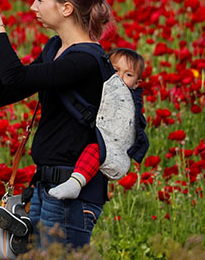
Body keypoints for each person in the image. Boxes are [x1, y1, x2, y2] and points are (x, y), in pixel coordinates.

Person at [0, 0, 113, 251]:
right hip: (47, 187)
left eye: (39, 0)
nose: (32, 6)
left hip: (73, 192)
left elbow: (16, 75)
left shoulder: (85, 61)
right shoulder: (55, 49)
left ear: (66, 9)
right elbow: (4, 92)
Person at [47, 47, 145, 200]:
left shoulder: (130, 101)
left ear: (137, 83)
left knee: (95, 150)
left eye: (128, 74)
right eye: (115, 70)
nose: (119, 77)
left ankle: (75, 183)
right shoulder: (99, 89)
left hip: (112, 149)